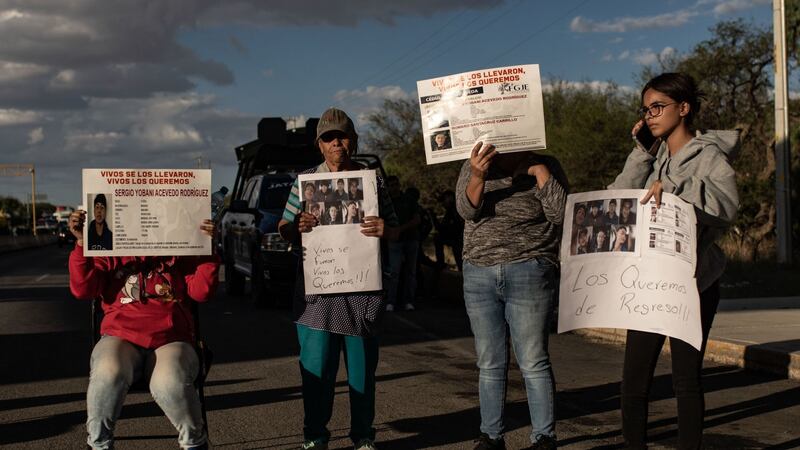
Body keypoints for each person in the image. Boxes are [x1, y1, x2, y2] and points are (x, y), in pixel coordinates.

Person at [608, 72, 739, 449]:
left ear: (684, 109)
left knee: (686, 379)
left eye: (658, 107)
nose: (650, 115)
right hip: (649, 280)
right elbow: (620, 197)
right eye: (645, 109)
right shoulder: (656, 154)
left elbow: (726, 206)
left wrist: (677, 188)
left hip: (695, 283)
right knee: (634, 380)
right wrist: (642, 151)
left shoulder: (709, 155)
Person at [277, 108, 398, 450]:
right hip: (317, 295)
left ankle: (363, 437)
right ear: (319, 144)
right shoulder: (304, 183)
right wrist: (294, 228)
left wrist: (387, 230)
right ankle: (315, 437)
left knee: (361, 376)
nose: (337, 144)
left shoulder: (373, 182)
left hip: (362, 292)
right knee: (316, 373)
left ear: (354, 140)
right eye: (329, 138)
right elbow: (283, 227)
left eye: (342, 136)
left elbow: (397, 228)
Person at [68, 210, 219, 450]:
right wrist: (81, 244)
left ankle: (194, 442)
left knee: (169, 380)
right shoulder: (109, 252)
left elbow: (202, 292)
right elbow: (82, 290)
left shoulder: (181, 251)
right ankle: (98, 444)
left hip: (172, 339)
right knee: (108, 371)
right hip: (120, 337)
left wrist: (208, 247)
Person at [457, 142, 568, 450]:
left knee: (533, 359)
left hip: (530, 269)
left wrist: (539, 171)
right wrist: (478, 175)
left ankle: (544, 438)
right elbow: (466, 210)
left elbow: (560, 214)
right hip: (479, 271)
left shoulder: (547, 164)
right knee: (489, 361)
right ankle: (491, 436)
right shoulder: (475, 163)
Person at [385, 176, 422, 312]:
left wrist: (400, 229)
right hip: (394, 241)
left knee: (410, 272)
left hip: (411, 239)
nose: (394, 187)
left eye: (396, 184)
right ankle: (391, 301)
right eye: (391, 185)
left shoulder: (409, 200)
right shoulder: (386, 202)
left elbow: (417, 219)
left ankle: (408, 300)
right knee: (394, 272)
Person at [432, 190, 464, 271]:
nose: (443, 204)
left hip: (458, 240)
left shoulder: (455, 209)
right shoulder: (451, 211)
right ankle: (441, 264)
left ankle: (441, 264)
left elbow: (447, 228)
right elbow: (443, 228)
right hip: (456, 240)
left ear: (450, 198)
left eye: (444, 200)